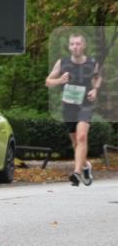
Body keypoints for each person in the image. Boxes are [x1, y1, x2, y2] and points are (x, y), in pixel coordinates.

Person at [45, 32, 102, 186]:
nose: (75, 47)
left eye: (78, 44)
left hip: (85, 105)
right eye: (72, 44)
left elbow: (97, 77)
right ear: (69, 47)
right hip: (68, 107)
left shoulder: (92, 62)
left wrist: (95, 89)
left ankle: (76, 173)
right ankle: (85, 166)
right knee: (76, 143)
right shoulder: (62, 63)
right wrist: (60, 80)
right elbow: (48, 81)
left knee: (82, 137)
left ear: (84, 46)